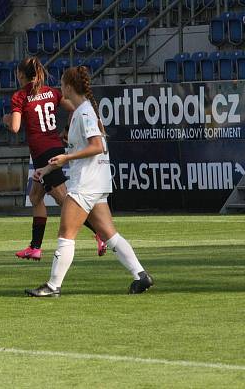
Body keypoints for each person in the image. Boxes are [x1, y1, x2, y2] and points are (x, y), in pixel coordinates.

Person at [26, 66, 154, 297]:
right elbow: (80, 150)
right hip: (95, 182)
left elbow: (96, 146)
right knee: (109, 234)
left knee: (66, 234)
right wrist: (45, 169)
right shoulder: (81, 112)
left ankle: (53, 286)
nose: (60, 87)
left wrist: (67, 157)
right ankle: (141, 275)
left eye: (62, 83)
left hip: (86, 183)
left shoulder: (84, 113)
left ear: (68, 87)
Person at [3, 57, 106, 261]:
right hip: (53, 148)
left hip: (42, 152)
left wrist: (7, 119)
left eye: (18, 73)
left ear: (21, 75)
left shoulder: (20, 96)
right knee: (35, 197)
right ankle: (35, 247)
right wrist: (67, 130)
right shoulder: (52, 92)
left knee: (64, 199)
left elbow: (15, 128)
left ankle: (101, 232)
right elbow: (76, 108)